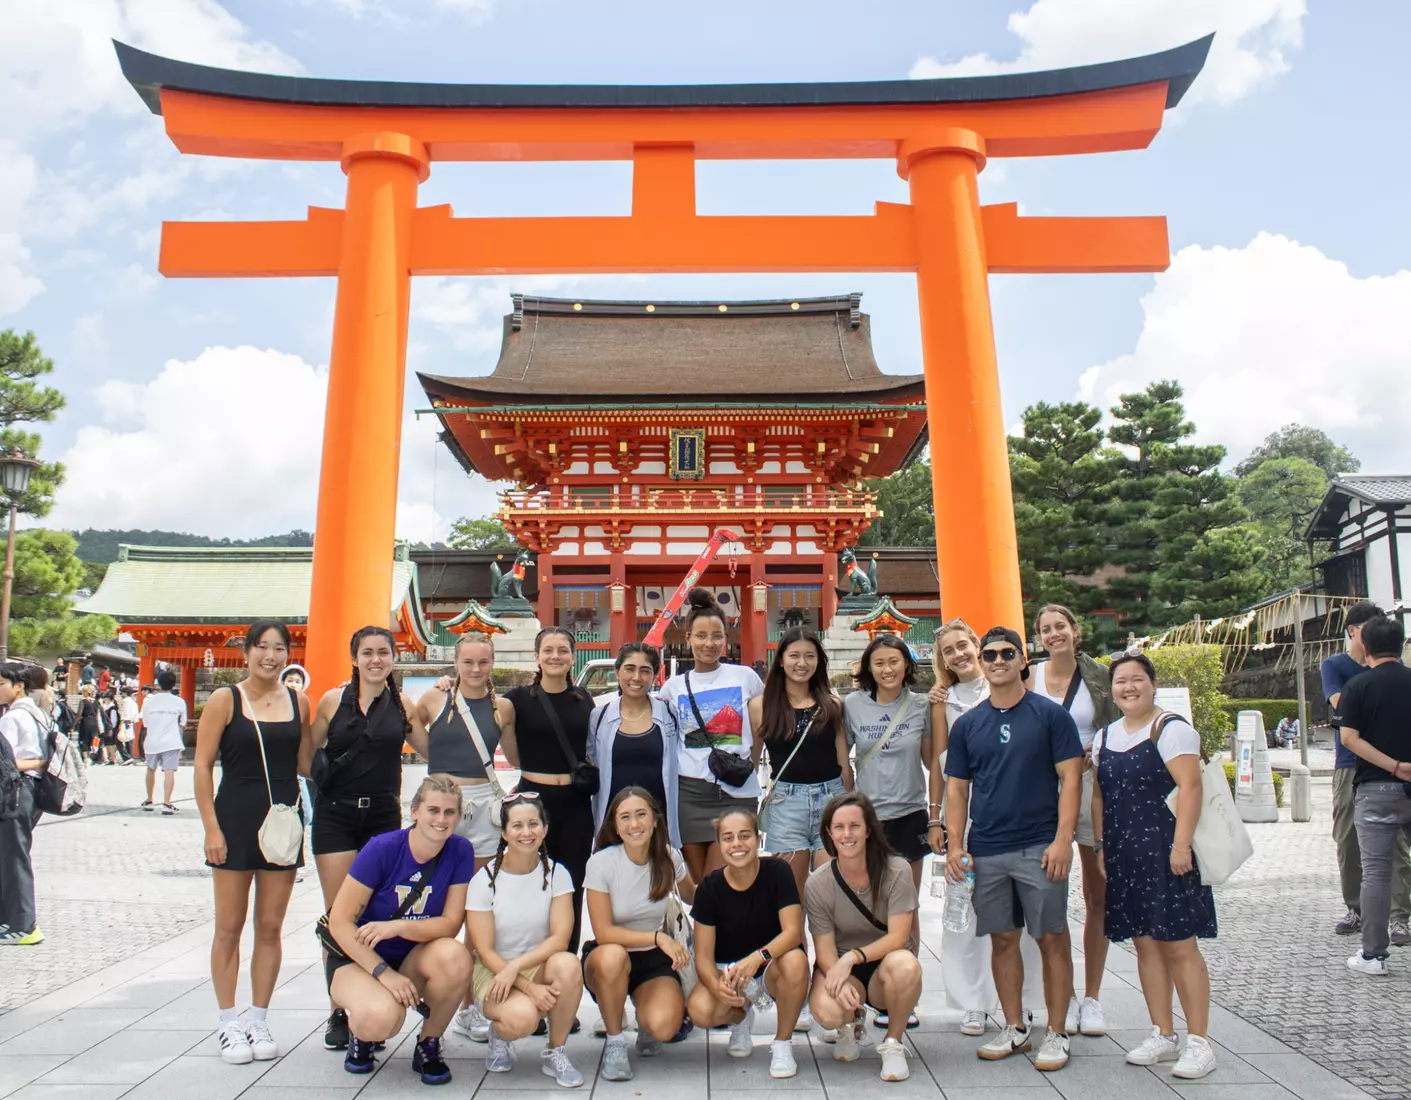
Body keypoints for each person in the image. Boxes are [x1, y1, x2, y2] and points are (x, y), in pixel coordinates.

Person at [944, 626, 1083, 1072]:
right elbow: (957, 789)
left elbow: (1072, 779)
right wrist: (955, 845)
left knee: (1050, 938)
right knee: (1002, 940)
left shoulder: (1049, 715)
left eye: (1008, 653)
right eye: (990, 654)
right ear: (981, 662)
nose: (998, 660)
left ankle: (1057, 1031)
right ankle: (1014, 1025)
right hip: (988, 847)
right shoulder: (968, 724)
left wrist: (1063, 840)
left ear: (1024, 660)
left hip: (1040, 845)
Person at [1089, 652, 1217, 1078]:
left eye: (1137, 679)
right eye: (1121, 681)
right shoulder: (1104, 737)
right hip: (1126, 852)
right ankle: (1163, 1032)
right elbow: (1099, 796)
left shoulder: (1171, 730)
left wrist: (1181, 847)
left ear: (1152, 684)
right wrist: (1103, 846)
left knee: (1180, 944)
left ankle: (1200, 1041)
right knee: (1144, 942)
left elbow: (1192, 787)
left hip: (1168, 850)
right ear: (1112, 690)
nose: (1129, 687)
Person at [194, 619, 312, 1065]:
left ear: (288, 654)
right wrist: (211, 827)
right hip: (235, 819)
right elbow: (203, 765)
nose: (270, 656)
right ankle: (229, 1022)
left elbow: (305, 763)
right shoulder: (227, 699)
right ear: (247, 651)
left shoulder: (298, 702)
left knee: (269, 926)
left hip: (283, 822)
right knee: (229, 926)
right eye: (262, 647)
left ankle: (259, 1017)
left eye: (279, 648)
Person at [305, 626, 425, 1053]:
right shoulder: (332, 701)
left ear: (394, 658)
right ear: (354, 657)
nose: (376, 660)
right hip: (335, 816)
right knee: (337, 915)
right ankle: (339, 1009)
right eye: (367, 653)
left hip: (382, 817)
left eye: (383, 653)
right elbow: (307, 752)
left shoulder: (402, 705)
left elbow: (431, 749)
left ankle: (371, 997)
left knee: (373, 911)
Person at [927, 619, 1044, 1037]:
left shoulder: (1012, 687)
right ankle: (972, 1001)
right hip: (968, 818)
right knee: (965, 913)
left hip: (1017, 814)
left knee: (1023, 918)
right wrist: (936, 817)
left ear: (979, 646)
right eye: (948, 651)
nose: (958, 655)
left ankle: (1028, 1000)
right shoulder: (942, 701)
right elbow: (942, 766)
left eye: (963, 645)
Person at [325, 775, 475, 1085]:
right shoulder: (382, 849)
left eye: (450, 813)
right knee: (383, 1020)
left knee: (456, 957)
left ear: (458, 818)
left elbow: (450, 924)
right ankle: (362, 1034)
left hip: (412, 956)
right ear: (415, 811)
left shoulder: (460, 850)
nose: (441, 819)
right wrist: (383, 972)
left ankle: (428, 1044)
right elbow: (340, 922)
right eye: (433, 810)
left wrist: (398, 926)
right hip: (360, 958)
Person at [417, 632, 518, 1045]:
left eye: (484, 662)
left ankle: (468, 1006)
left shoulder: (503, 707)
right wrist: (438, 767)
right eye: (468, 662)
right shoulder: (434, 698)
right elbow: (414, 734)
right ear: (454, 663)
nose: (476, 670)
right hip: (443, 803)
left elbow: (514, 757)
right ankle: (436, 990)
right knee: (437, 905)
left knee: (477, 909)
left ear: (492, 664)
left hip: (483, 805)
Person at [1028, 605, 1120, 1038]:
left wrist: (1096, 751)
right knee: (1050, 892)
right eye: (1046, 629)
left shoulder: (1101, 676)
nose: (1053, 634)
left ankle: (1094, 996)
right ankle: (1061, 990)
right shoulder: (1029, 675)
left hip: (1092, 785)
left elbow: (1120, 724)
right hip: (1042, 790)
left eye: (1060, 626)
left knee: (1096, 892)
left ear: (1074, 631)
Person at [844, 633, 941, 1026]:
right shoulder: (852, 705)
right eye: (879, 663)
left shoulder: (920, 706)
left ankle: (904, 995)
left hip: (909, 814)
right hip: (867, 819)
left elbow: (935, 762)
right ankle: (865, 987)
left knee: (906, 907)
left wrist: (936, 816)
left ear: (907, 665)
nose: (887, 669)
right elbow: (842, 760)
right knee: (866, 907)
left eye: (894, 662)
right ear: (868, 667)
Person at [466, 793, 586, 1089]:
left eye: (534, 824)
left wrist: (518, 968)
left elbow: (560, 938)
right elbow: (483, 949)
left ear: (545, 829)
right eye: (517, 826)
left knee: (568, 964)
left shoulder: (557, 873)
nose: (526, 832)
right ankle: (499, 1035)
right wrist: (527, 986)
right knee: (523, 1020)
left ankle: (555, 1051)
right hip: (493, 971)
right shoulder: (484, 881)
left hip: (534, 964)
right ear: (504, 833)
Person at [583, 787, 697, 1081]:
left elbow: (694, 896)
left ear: (656, 821)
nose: (634, 824)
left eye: (641, 815)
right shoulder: (601, 863)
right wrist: (658, 937)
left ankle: (647, 1018)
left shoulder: (669, 857)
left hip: (653, 961)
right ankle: (615, 1042)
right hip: (608, 957)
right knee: (612, 956)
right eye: (625, 817)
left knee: (664, 1026)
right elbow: (604, 932)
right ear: (615, 826)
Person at [805, 791, 921, 1082]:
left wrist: (854, 958)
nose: (847, 834)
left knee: (907, 966)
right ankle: (850, 1023)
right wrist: (838, 975)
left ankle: (893, 1041)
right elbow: (824, 948)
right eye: (839, 827)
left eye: (854, 826)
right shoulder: (818, 883)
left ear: (869, 830)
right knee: (826, 1010)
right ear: (829, 833)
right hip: (842, 962)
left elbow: (898, 937)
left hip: (886, 963)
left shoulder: (897, 870)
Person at [687, 809, 810, 1078]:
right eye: (728, 838)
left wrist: (759, 957)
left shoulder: (778, 871)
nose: (737, 844)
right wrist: (715, 985)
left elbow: (792, 933)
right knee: (700, 1010)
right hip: (729, 972)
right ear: (720, 844)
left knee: (796, 961)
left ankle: (782, 1043)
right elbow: (704, 958)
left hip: (769, 966)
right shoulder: (709, 887)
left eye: (744, 836)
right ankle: (739, 1018)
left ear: (757, 838)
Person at [660, 589, 765, 883]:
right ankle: (706, 930)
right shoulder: (673, 688)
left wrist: (753, 763)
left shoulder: (746, 678)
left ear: (726, 638)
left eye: (717, 636)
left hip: (736, 790)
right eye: (701, 636)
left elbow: (762, 724)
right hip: (690, 794)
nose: (709, 643)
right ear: (688, 638)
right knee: (698, 882)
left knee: (718, 879)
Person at [1321, 600, 1411, 942]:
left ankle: (1400, 915)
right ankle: (1356, 907)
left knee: (1399, 846)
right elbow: (1342, 705)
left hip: (1394, 766)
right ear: (1353, 631)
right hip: (1350, 764)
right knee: (1349, 839)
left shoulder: (1393, 666)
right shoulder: (1335, 666)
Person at [753, 628, 852, 900]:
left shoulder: (832, 704)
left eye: (810, 656)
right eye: (794, 655)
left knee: (829, 894)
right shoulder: (761, 706)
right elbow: (752, 761)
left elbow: (843, 762)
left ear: (819, 661)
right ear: (781, 659)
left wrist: (848, 806)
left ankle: (827, 945)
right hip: (787, 804)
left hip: (830, 799)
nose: (802, 663)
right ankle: (795, 945)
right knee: (790, 898)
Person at [588, 643, 682, 846]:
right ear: (617, 672)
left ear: (655, 676)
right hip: (612, 822)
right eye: (629, 668)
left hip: (658, 822)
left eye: (645, 670)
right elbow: (591, 759)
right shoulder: (599, 716)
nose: (637, 677)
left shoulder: (669, 713)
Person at [0, 663, 51, 946]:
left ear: (18, 685)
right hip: (32, 790)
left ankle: (23, 925)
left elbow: (6, 763)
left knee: (13, 858)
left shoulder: (11, 718)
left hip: (14, 791)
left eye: (1, 685)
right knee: (11, 855)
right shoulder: (38, 714)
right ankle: (10, 920)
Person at [140, 670, 188, 815]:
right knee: (169, 771)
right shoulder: (179, 701)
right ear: (174, 684)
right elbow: (183, 723)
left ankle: (149, 800)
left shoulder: (149, 701)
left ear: (158, 684)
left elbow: (145, 723)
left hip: (152, 740)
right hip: (171, 741)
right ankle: (167, 802)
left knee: (150, 769)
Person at [280, 666, 315, 827]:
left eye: (297, 681)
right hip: (278, 769)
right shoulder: (274, 706)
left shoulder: (304, 706)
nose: (293, 684)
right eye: (290, 681)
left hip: (297, 769)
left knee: (307, 815)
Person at [77, 683, 103, 763]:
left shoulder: (83, 701)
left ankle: (85, 758)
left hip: (85, 722)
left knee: (84, 740)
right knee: (94, 739)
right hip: (94, 723)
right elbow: (99, 714)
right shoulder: (96, 702)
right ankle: (95, 756)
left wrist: (73, 725)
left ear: (86, 692)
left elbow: (79, 714)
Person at [98, 689, 122, 766]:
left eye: (105, 697)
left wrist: (111, 728)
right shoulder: (107, 707)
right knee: (108, 744)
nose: (104, 699)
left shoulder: (112, 708)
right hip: (107, 728)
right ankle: (111, 758)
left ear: (109, 698)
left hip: (111, 728)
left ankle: (114, 759)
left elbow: (113, 720)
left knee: (111, 744)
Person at [118, 686, 140, 765]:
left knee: (119, 740)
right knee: (129, 740)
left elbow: (125, 713)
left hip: (126, 721)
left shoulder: (126, 701)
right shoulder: (133, 702)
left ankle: (127, 757)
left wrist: (122, 722)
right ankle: (130, 757)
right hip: (132, 721)